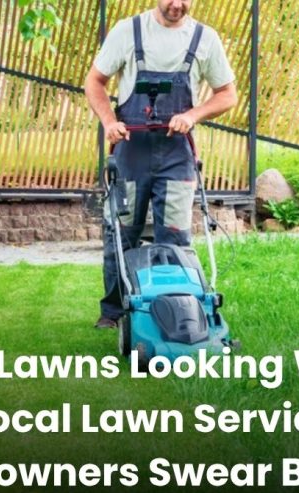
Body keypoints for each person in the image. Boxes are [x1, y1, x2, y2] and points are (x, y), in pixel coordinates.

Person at [84, 0, 238, 329]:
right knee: (121, 235)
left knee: (175, 238)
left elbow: (227, 94)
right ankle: (114, 312)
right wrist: (109, 121)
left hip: (177, 156)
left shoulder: (205, 39)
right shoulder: (128, 31)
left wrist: (192, 115)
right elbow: (94, 81)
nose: (177, 4)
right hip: (131, 152)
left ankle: (178, 312)